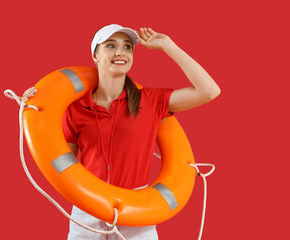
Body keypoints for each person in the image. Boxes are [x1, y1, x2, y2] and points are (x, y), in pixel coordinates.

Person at [20, 24, 221, 240]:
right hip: (88, 210)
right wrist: (33, 111)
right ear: (95, 55)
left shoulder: (151, 101)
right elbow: (61, 164)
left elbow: (209, 91)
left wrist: (167, 45)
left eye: (127, 47)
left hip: (137, 212)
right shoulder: (76, 109)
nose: (120, 52)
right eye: (110, 45)